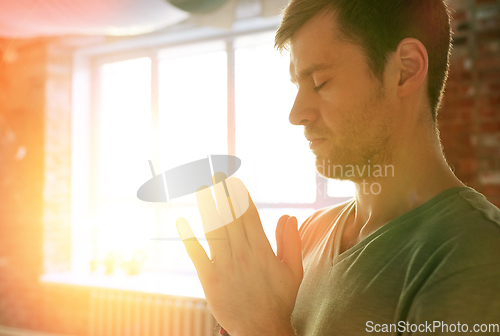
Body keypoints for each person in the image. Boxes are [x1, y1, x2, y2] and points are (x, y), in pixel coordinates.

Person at [176, 0, 500, 335]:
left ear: (405, 69)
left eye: (319, 82)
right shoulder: (309, 236)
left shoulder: (477, 256)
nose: (296, 114)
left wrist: (263, 327)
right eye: (297, 86)